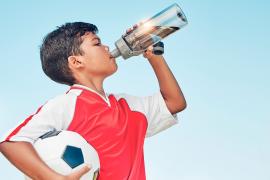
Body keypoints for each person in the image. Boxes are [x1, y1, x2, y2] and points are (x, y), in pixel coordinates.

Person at [0, 22, 186, 180]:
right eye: (97, 43)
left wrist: (154, 56)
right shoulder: (67, 104)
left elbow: (175, 102)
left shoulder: (127, 105)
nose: (106, 48)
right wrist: (54, 178)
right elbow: (11, 142)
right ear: (76, 62)